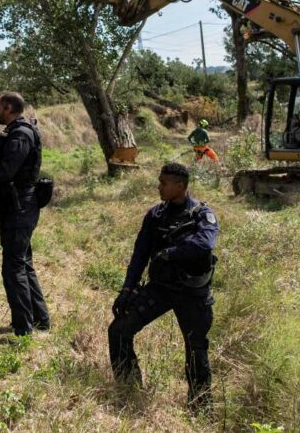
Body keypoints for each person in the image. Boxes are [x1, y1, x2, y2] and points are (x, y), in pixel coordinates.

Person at [108, 162, 218, 412]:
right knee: (119, 330)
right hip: (161, 289)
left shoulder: (202, 214)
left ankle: (200, 408)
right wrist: (127, 290)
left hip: (192, 293)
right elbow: (140, 254)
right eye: (159, 181)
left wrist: (170, 253)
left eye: (163, 183)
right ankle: (129, 389)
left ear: (180, 186)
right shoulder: (155, 215)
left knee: (196, 349)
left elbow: (204, 244)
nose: (159, 187)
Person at [0, 92, 49, 336]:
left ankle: (23, 327)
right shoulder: (15, 131)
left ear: (8, 108)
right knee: (23, 264)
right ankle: (40, 319)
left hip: (20, 207)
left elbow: (5, 172)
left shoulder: (21, 134)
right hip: (18, 206)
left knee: (14, 268)